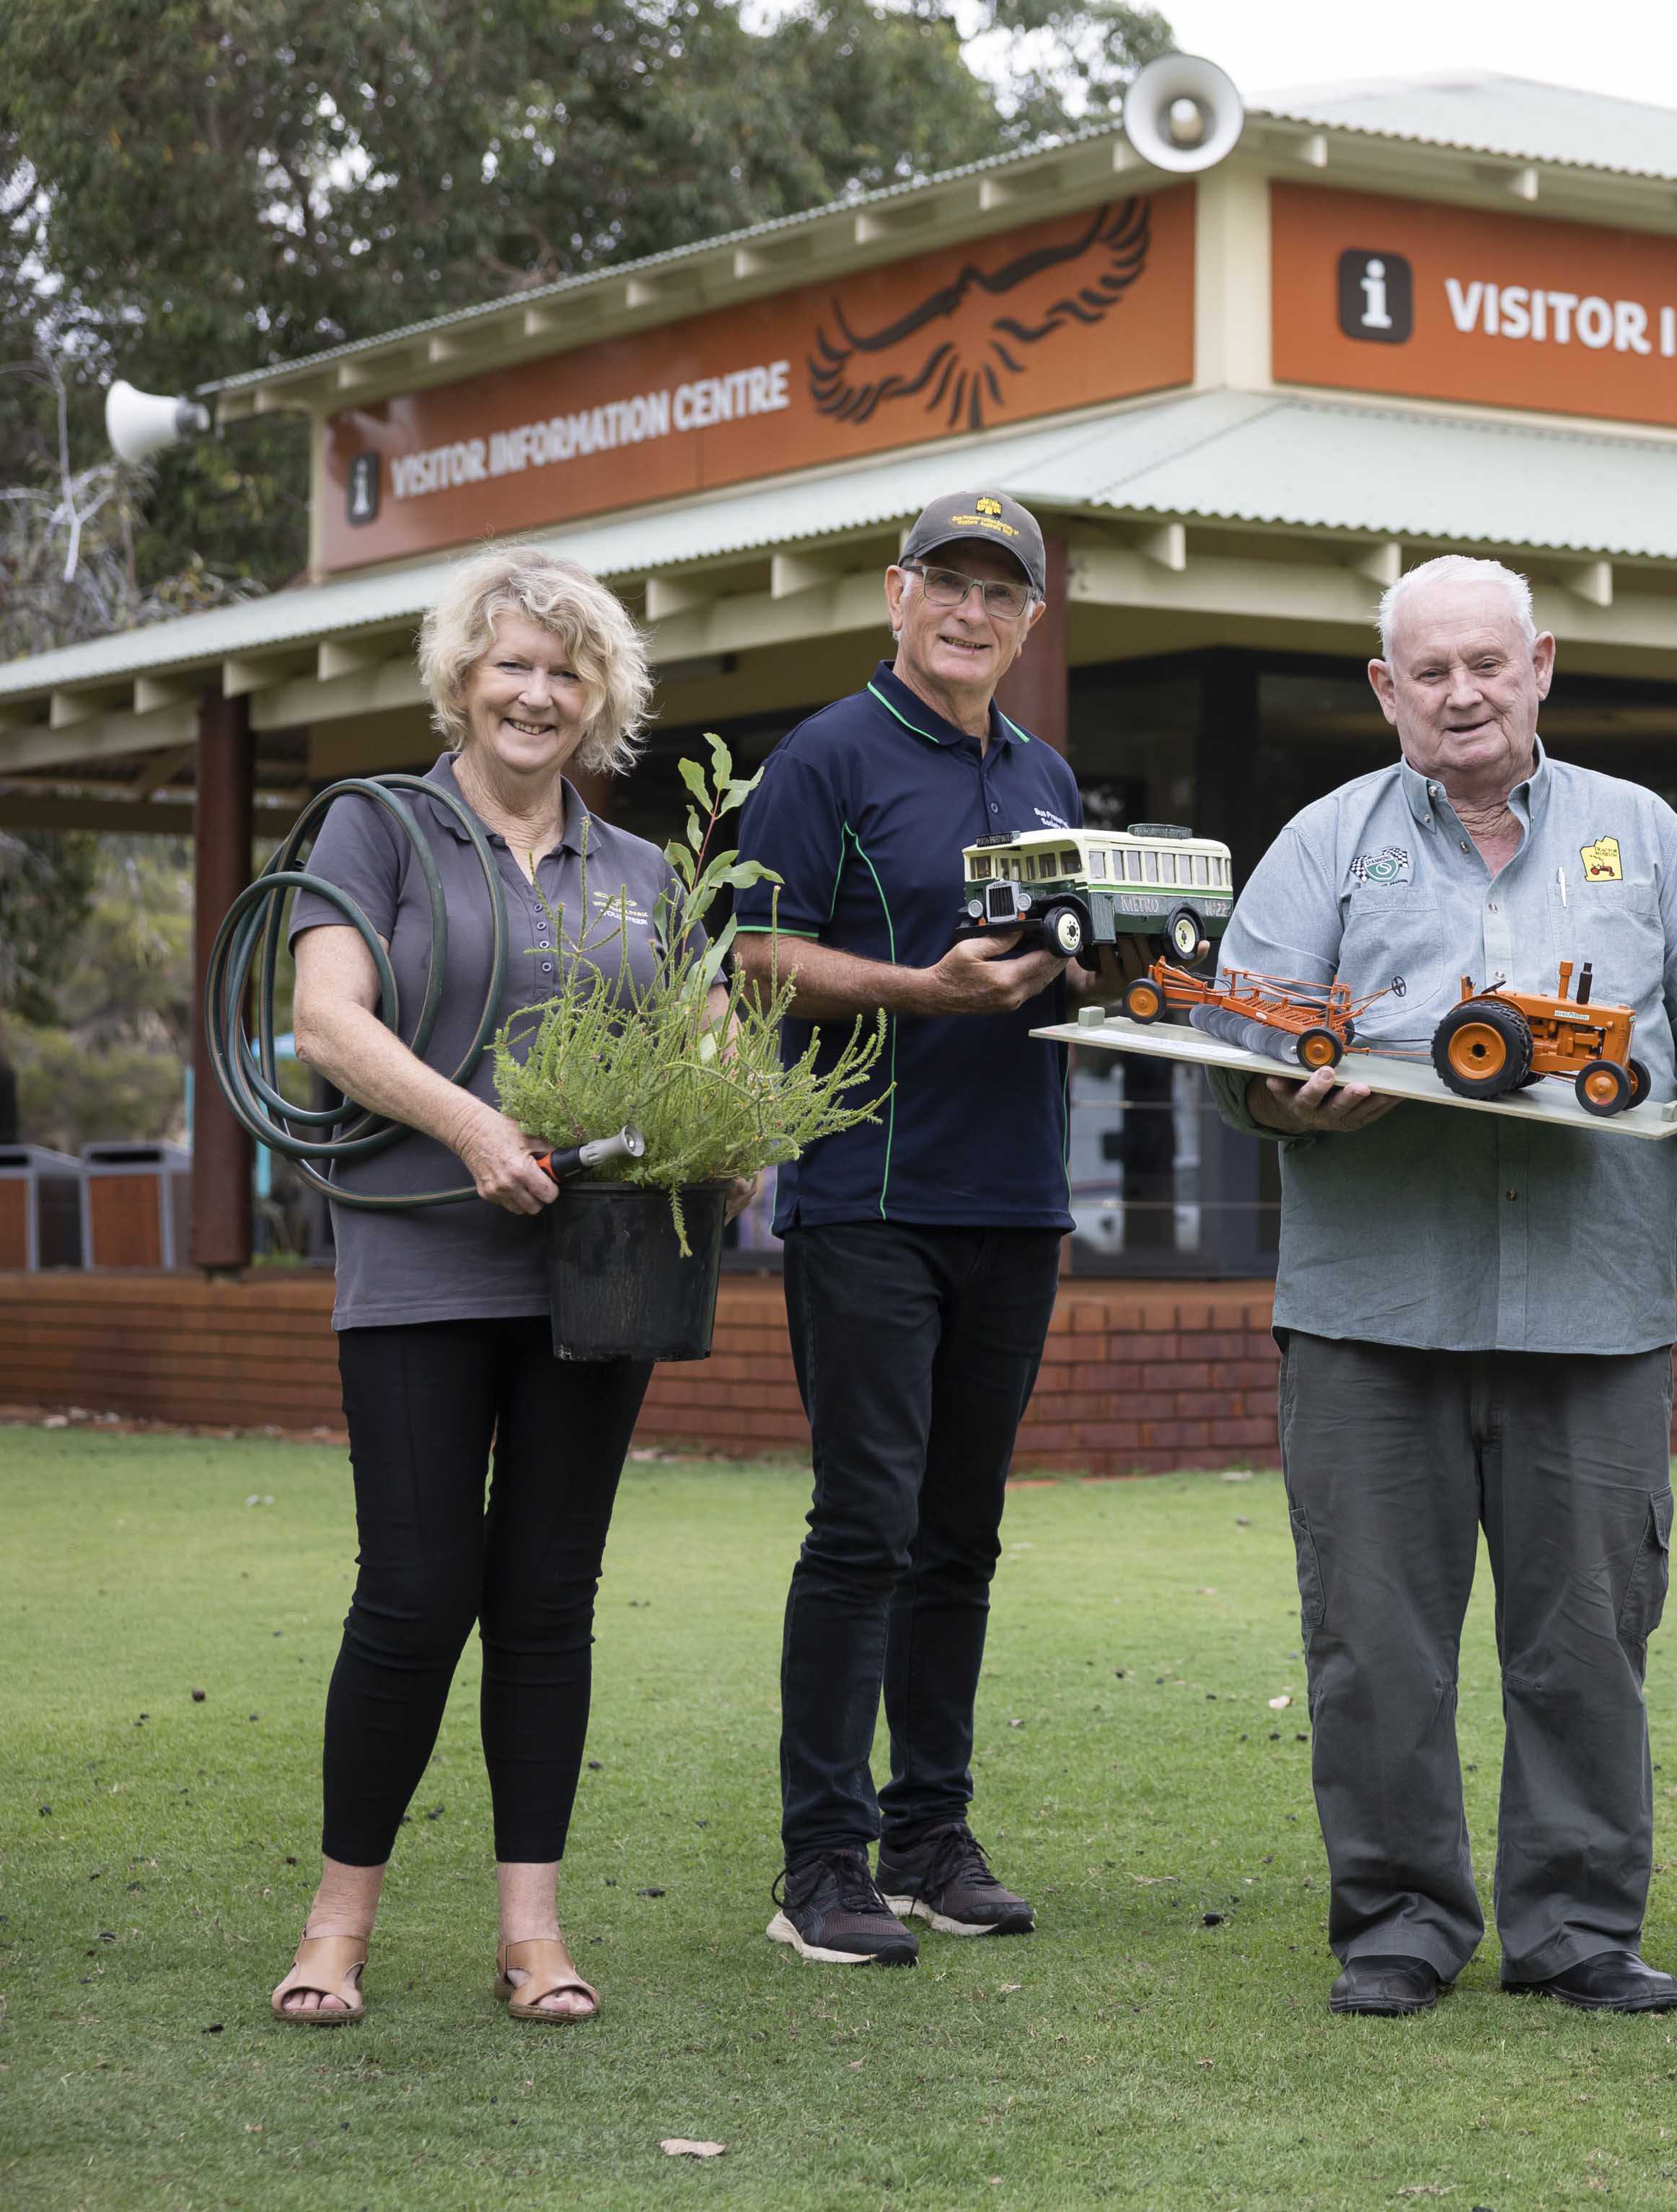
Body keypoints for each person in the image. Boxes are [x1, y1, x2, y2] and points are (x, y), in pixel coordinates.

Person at [1205, 555, 1677, 2019]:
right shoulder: (1323, 842)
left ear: (1538, 665)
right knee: (1371, 1648)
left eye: (1486, 663)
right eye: (1428, 671)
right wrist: (1286, 1102)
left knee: (1587, 1640)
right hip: (1366, 1313)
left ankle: (1578, 1929)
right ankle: (1398, 1920)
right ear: (1384, 690)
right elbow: (1241, 1040)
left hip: (1589, 1312)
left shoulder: (1641, 836)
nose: (1461, 692)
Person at [271, 546, 721, 2024]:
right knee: (412, 1590)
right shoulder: (376, 826)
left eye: (566, 669)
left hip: (592, 1282)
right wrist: (470, 1125)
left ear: (603, 699)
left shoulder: (645, 874)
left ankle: (533, 1930)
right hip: (418, 1259)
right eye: (509, 664)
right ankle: (338, 1923)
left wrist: (730, 1134)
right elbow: (326, 1018)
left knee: (546, 1596)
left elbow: (706, 1041)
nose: (536, 693)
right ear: (459, 679)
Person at [731, 490, 1129, 1966]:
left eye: (1000, 593)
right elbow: (752, 955)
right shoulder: (824, 756)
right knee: (864, 1529)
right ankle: (818, 1864)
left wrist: (1104, 974)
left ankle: (927, 1839)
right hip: (868, 1197)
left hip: (1015, 1198)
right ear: (895, 595)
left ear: (1031, 620)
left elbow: (1067, 954)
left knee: (959, 1534)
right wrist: (922, 989)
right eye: (946, 585)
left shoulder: (1044, 769)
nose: (971, 613)